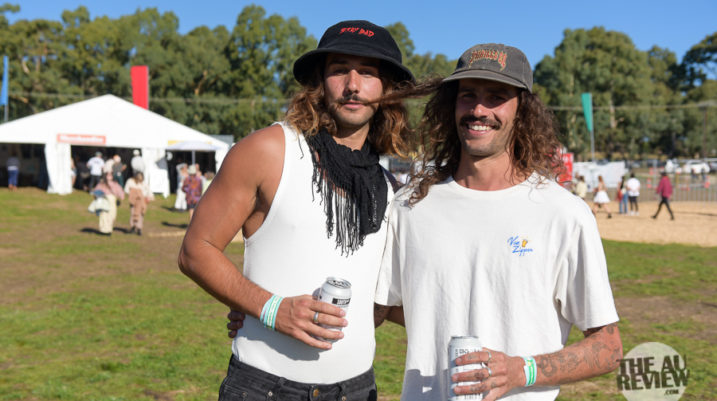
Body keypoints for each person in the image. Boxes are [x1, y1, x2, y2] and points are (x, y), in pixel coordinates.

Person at [178, 20, 413, 400]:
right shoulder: (270, 150)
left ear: (387, 90)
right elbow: (195, 250)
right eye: (340, 70)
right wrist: (269, 309)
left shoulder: (388, 187)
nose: (353, 85)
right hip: (266, 388)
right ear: (319, 82)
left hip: (358, 389)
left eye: (368, 73)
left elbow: (384, 300)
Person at [374, 43, 621, 401]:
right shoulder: (410, 206)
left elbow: (608, 347)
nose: (478, 110)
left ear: (523, 111)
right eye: (468, 95)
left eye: (496, 97)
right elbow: (385, 307)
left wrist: (522, 369)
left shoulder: (564, 213)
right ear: (451, 105)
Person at [93, 171, 125, 236]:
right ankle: (104, 230)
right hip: (104, 200)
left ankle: (109, 229)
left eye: (111, 175)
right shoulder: (102, 184)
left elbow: (120, 192)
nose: (110, 176)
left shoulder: (115, 184)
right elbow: (96, 192)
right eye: (108, 175)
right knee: (104, 215)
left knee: (112, 215)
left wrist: (121, 197)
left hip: (112, 200)